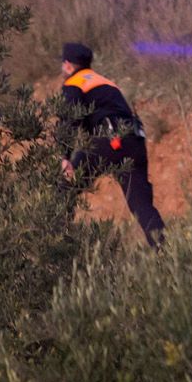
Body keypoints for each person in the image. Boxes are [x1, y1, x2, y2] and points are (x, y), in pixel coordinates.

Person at [58, 42, 166, 248]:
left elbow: (69, 119)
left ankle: (56, 244)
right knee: (141, 205)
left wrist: (65, 156)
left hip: (108, 140)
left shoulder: (75, 83)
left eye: (63, 65)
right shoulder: (106, 83)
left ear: (69, 65)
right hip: (134, 142)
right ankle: (165, 251)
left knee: (63, 189)